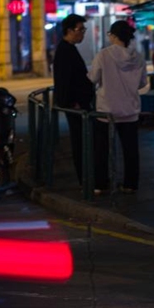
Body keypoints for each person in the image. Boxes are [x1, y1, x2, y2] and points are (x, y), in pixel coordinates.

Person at [88, 20, 147, 195]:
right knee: (130, 149)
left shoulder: (104, 55)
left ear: (113, 36)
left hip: (106, 109)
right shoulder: (138, 57)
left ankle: (101, 184)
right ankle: (130, 184)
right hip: (130, 109)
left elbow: (93, 78)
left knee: (101, 149)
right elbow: (142, 83)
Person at [53, 14, 95, 185]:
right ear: (69, 31)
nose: (82, 34)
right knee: (80, 143)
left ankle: (86, 179)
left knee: (83, 143)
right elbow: (64, 80)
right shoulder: (64, 50)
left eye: (84, 30)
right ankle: (85, 181)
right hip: (76, 106)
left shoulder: (69, 48)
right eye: (80, 30)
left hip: (79, 103)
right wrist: (72, 103)